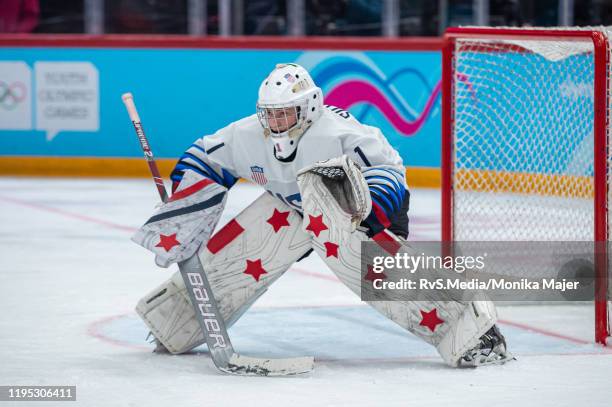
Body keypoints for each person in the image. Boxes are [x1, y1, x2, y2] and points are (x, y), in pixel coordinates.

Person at [133, 63, 512, 367]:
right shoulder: (249, 133)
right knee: (252, 242)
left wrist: (363, 215)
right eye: (270, 114)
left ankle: (472, 331)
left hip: (363, 209)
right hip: (295, 209)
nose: (276, 123)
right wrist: (183, 208)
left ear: (310, 106)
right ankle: (177, 322)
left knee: (364, 262)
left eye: (285, 114)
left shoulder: (339, 133)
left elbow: (388, 173)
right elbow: (205, 157)